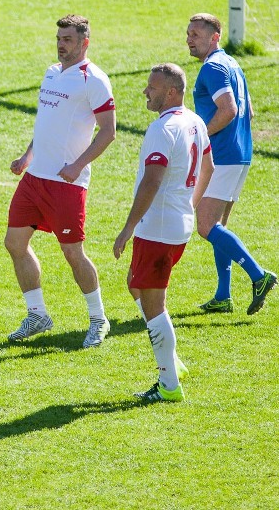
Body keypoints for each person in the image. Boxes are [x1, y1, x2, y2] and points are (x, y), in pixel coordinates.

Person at [4, 14, 117, 348]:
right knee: (14, 244)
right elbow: (46, 123)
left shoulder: (94, 80)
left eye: (67, 39)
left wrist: (77, 164)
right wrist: (28, 156)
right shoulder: (52, 73)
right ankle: (37, 314)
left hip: (67, 184)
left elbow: (109, 132)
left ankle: (98, 319)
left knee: (72, 253)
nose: (60, 44)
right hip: (35, 179)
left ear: (84, 42)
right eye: (58, 38)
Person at [113, 63, 213, 402]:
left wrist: (127, 227)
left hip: (157, 228)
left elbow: (152, 180)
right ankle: (171, 362)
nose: (145, 91)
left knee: (154, 304)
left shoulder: (163, 128)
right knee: (135, 283)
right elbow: (209, 167)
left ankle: (168, 385)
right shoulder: (195, 121)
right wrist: (189, 203)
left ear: (170, 92)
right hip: (176, 225)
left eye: (152, 87)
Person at [186, 13, 276, 315]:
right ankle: (223, 295)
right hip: (241, 155)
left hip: (222, 157)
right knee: (219, 227)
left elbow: (229, 110)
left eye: (196, 34)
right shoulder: (232, 64)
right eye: (188, 34)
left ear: (215, 37)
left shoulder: (212, 68)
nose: (189, 39)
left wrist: (200, 135)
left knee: (206, 225)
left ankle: (259, 276)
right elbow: (247, 112)